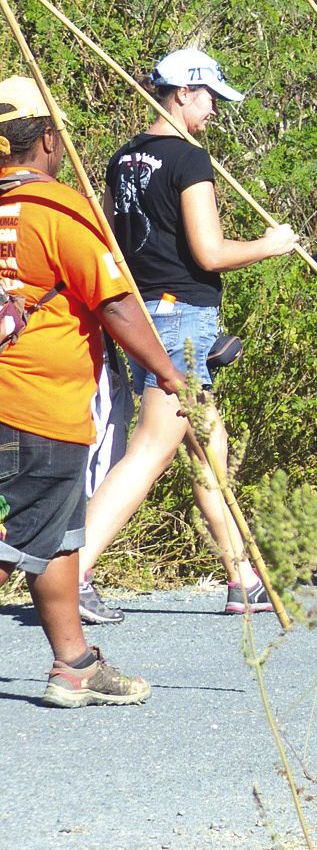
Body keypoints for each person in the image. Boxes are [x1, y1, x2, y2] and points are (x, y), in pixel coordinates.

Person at [78, 48, 298, 622]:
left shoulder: (124, 159)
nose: (216, 109)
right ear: (183, 92)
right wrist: (270, 246)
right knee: (151, 449)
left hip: (138, 312)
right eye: (210, 97)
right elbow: (209, 252)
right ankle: (72, 567)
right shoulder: (189, 160)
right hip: (182, 319)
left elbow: (114, 241)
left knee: (208, 444)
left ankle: (239, 575)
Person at [0, 77, 185, 706]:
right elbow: (114, 302)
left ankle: (73, 663)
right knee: (18, 538)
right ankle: (73, 663)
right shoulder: (60, 208)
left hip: (14, 399)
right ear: (48, 138)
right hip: (37, 404)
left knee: (55, 535)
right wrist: (166, 371)